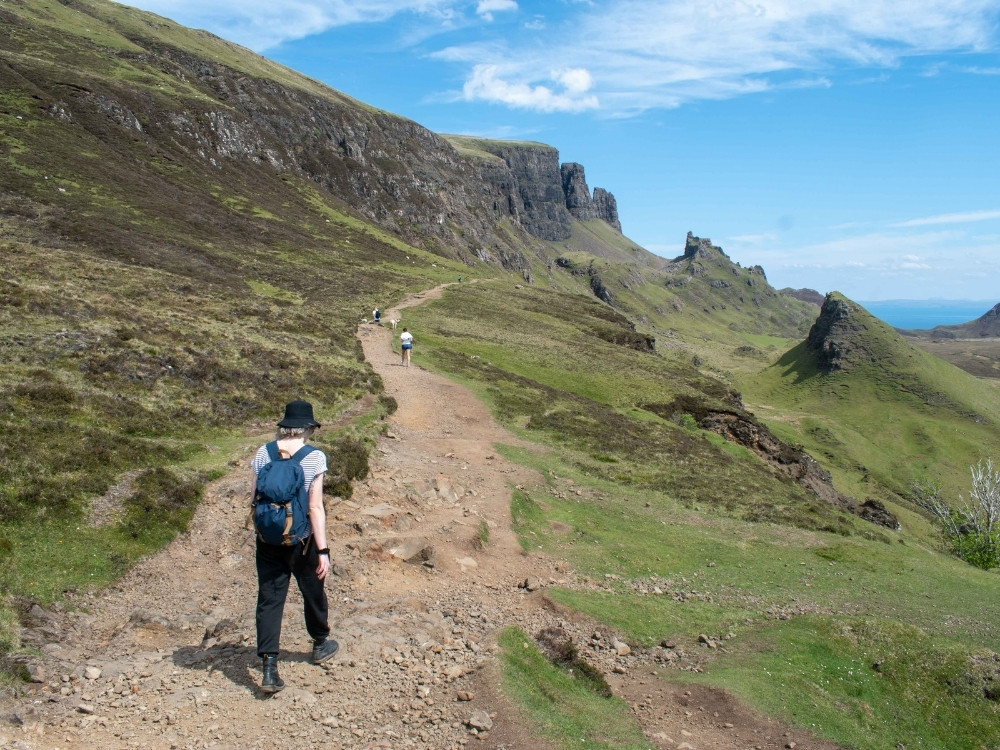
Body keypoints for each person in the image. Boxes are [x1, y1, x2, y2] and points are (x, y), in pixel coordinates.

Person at [250, 399, 338, 694]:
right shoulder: (314, 458)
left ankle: (269, 668)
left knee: (270, 598)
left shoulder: (263, 453)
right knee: (312, 588)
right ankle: (320, 643)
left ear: (283, 427)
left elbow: (254, 498)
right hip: (301, 539)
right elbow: (315, 508)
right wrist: (323, 550)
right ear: (308, 429)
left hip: (268, 539)